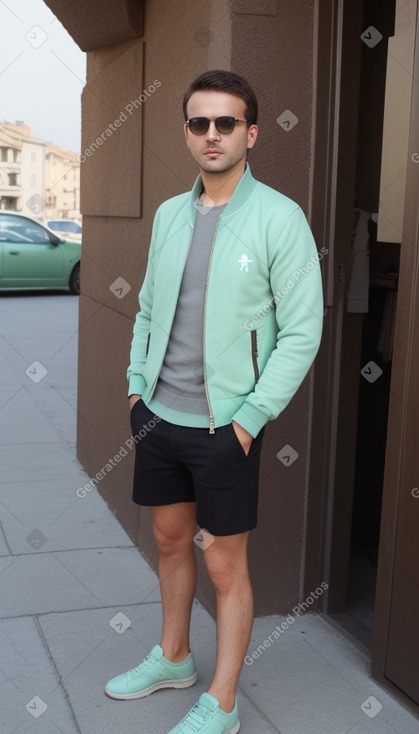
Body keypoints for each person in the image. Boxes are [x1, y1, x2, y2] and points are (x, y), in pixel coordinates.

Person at [105, 69, 324, 734]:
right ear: (187, 131)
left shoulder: (278, 218)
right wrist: (136, 387)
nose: (211, 134)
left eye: (225, 123)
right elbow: (146, 308)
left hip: (225, 426)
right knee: (170, 541)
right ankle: (173, 656)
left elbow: (301, 331)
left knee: (224, 563)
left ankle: (223, 702)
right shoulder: (172, 215)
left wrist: (249, 421)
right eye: (199, 122)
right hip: (158, 419)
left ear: (250, 134)